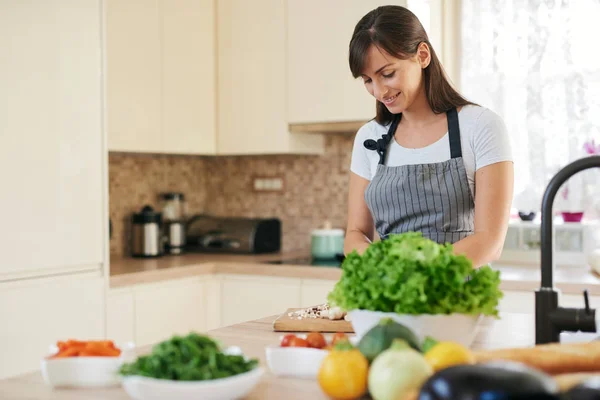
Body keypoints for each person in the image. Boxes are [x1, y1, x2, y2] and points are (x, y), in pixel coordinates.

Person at [344, 5, 514, 268]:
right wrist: (383, 268)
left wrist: (417, 274)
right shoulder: (369, 136)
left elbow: (489, 242)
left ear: (422, 55)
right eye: (367, 80)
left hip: (458, 299)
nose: (379, 91)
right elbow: (355, 234)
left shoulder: (481, 126)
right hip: (391, 298)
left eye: (387, 74)